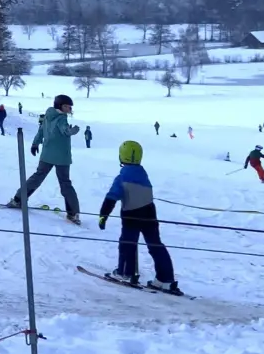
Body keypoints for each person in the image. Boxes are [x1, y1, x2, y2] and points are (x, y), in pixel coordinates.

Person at [97, 141, 180, 294]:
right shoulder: (143, 175)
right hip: (149, 213)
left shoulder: (122, 177)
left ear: (122, 156)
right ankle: (165, 279)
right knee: (155, 245)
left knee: (127, 243)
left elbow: (111, 198)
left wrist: (103, 216)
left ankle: (126, 273)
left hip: (131, 215)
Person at [10, 94, 81, 223]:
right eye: (67, 106)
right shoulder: (62, 118)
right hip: (62, 157)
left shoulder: (48, 115)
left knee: (37, 177)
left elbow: (41, 131)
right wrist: (74, 130)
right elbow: (65, 131)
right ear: (60, 106)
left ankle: (18, 199)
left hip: (47, 154)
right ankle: (73, 213)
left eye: (70, 107)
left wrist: (35, 144)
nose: (69, 109)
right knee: (65, 183)